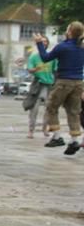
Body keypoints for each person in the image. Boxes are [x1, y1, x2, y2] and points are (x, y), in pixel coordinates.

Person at [34, 22, 84, 155]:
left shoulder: (63, 47)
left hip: (64, 81)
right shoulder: (82, 47)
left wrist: (39, 43)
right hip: (79, 82)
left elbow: (45, 58)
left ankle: (57, 136)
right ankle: (74, 140)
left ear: (69, 32)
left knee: (51, 106)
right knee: (73, 111)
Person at [24, 36, 56, 139]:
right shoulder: (33, 57)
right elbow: (29, 69)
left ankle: (44, 128)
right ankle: (31, 130)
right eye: (42, 42)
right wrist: (35, 69)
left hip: (49, 84)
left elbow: (56, 69)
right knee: (34, 109)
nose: (44, 44)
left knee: (49, 108)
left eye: (46, 42)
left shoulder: (52, 57)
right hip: (38, 84)